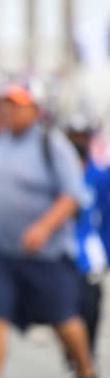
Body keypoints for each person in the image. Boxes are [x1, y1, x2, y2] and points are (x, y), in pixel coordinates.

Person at [0, 84, 97, 378]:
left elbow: (72, 196)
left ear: (34, 110)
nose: (9, 112)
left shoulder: (51, 146)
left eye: (17, 106)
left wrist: (43, 228)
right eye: (6, 106)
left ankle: (85, 370)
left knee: (63, 319)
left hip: (45, 254)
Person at [64, 116, 110, 357]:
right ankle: (73, 353)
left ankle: (86, 354)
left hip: (88, 255)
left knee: (90, 306)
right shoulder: (57, 173)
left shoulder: (101, 176)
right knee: (65, 310)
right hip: (60, 253)